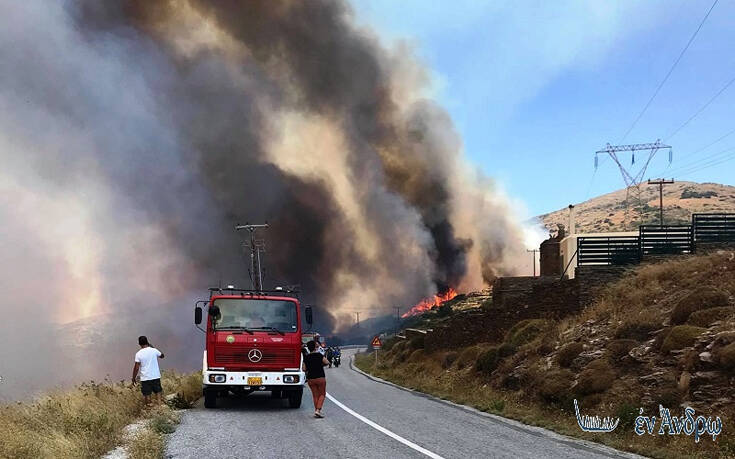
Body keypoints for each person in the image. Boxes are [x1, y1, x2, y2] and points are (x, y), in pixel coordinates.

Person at [132, 336, 165, 406]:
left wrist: (133, 378)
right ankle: (160, 409)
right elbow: (162, 356)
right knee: (158, 393)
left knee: (147, 395)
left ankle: (150, 411)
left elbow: (136, 368)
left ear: (139, 344)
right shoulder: (154, 350)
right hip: (155, 376)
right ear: (147, 342)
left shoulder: (138, 354)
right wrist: (153, 347)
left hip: (145, 378)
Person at [302, 340, 329, 418]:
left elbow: (303, 369)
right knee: (322, 394)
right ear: (315, 347)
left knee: (315, 395)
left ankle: (316, 411)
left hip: (311, 378)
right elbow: (327, 362)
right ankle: (318, 410)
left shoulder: (306, 357)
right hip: (320, 377)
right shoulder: (319, 355)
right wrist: (320, 365)